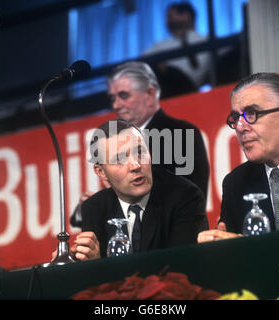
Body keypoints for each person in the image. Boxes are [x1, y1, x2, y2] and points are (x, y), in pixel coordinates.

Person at [70, 61, 209, 228]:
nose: (116, 105)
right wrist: (87, 207)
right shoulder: (114, 142)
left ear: (150, 94)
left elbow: (190, 196)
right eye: (112, 98)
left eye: (124, 96)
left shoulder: (182, 132)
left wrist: (117, 193)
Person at [66, 119, 208, 260]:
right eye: (120, 159)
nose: (135, 165)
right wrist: (85, 264)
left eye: (140, 152)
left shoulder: (185, 196)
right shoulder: (93, 209)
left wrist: (102, 268)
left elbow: (181, 270)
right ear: (101, 172)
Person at [197, 72, 279, 243]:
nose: (240, 127)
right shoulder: (236, 184)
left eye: (252, 114)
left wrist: (255, 249)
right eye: (236, 118)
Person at [143, 2, 211, 97]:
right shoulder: (160, 45)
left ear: (186, 15)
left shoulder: (206, 40)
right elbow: (142, 62)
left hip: (190, 86)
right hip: (167, 86)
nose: (167, 21)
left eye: (170, 16)